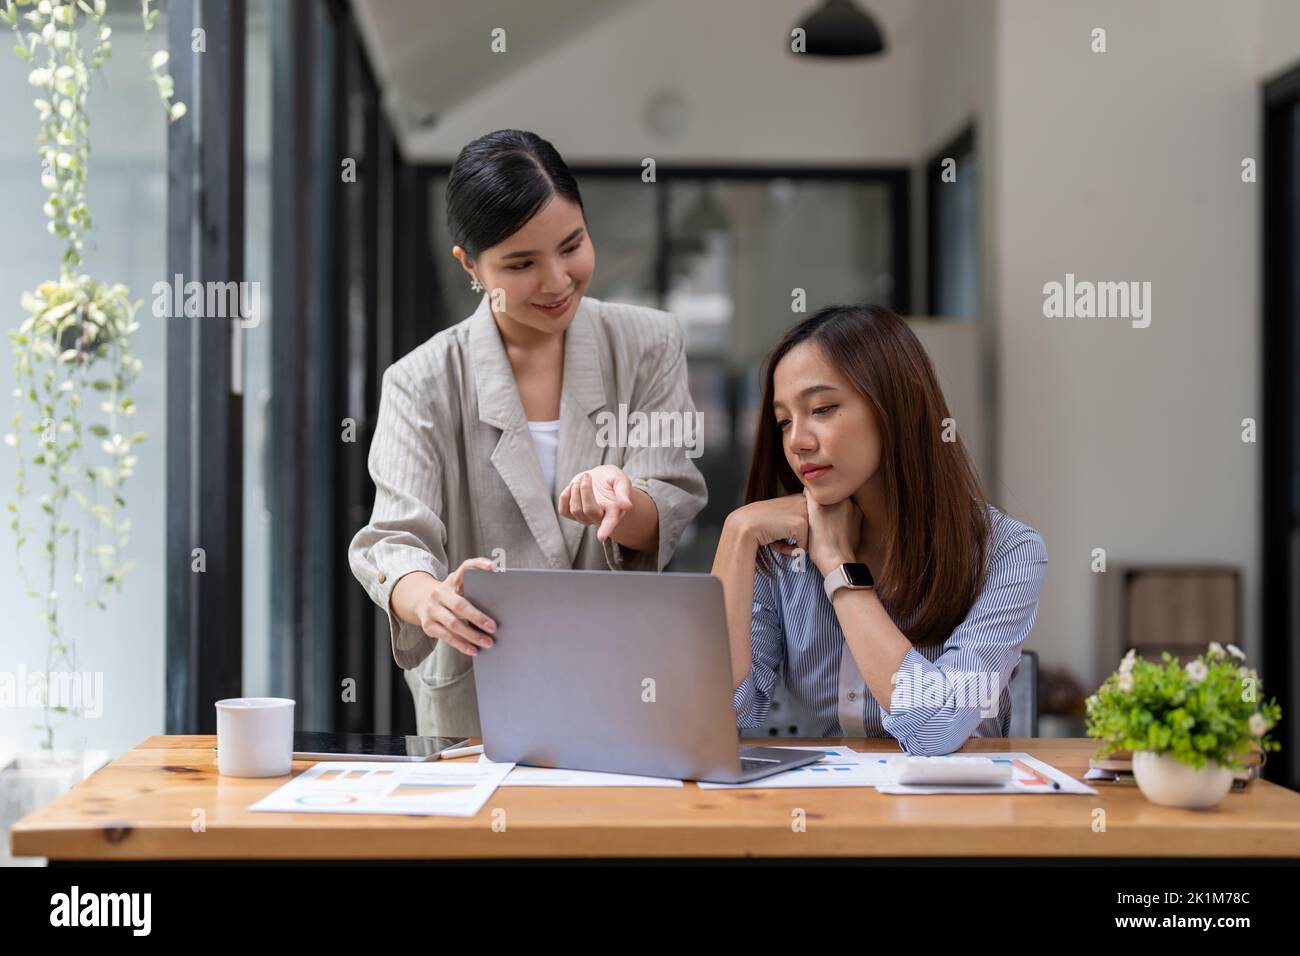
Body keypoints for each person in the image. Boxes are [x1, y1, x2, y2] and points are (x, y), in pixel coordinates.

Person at [350, 129, 707, 738]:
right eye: (521, 264)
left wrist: (624, 494)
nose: (557, 281)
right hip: (478, 697)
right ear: (469, 264)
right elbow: (394, 539)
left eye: (572, 246)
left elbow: (667, 499)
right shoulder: (422, 381)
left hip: (618, 683)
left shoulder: (649, 344)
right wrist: (428, 596)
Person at [712, 304, 1047, 755]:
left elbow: (936, 726)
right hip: (823, 810)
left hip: (958, 812)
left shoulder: (1007, 551)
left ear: (896, 406)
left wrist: (839, 568)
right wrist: (736, 533)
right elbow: (720, 715)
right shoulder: (780, 549)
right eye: (784, 420)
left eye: (823, 409)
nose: (797, 441)